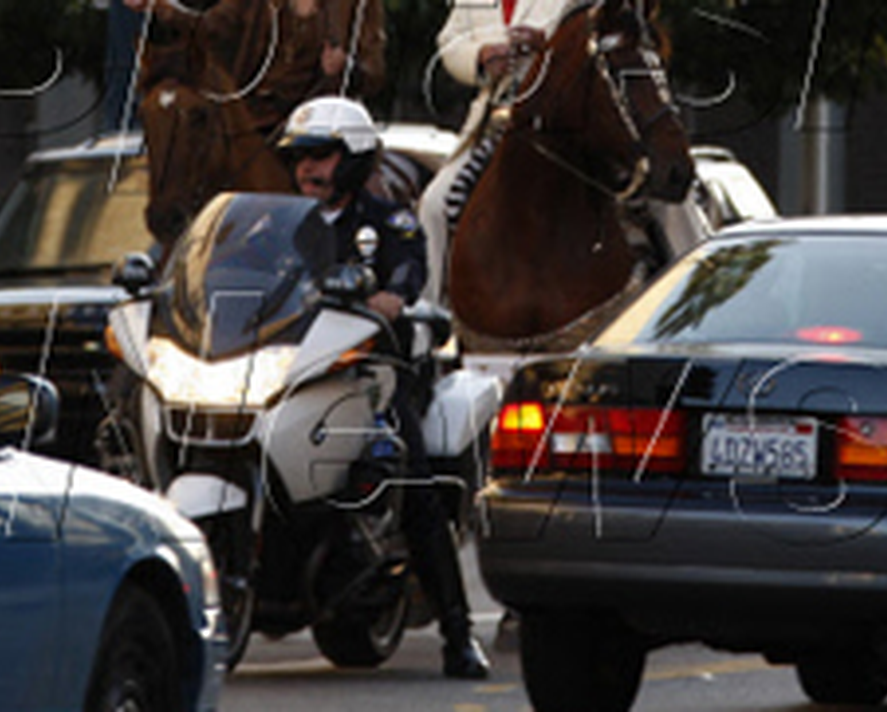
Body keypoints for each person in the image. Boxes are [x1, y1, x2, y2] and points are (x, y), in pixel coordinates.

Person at [278, 96, 491, 680]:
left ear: (353, 159)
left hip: (373, 373)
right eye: (299, 157)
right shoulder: (283, 226)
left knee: (412, 480)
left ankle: (457, 634)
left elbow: (405, 277)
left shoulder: (389, 222)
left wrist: (390, 296)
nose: (306, 168)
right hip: (292, 373)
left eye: (320, 155)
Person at [418, 0, 569, 304]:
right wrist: (480, 57)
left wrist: (545, 45)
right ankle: (428, 312)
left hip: (558, 123)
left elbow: (592, 38)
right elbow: (450, 42)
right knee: (434, 205)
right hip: (493, 122)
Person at [123, 0, 387, 135]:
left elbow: (375, 72)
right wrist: (158, 7)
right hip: (254, 120)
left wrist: (346, 67)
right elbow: (210, 28)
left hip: (321, 127)